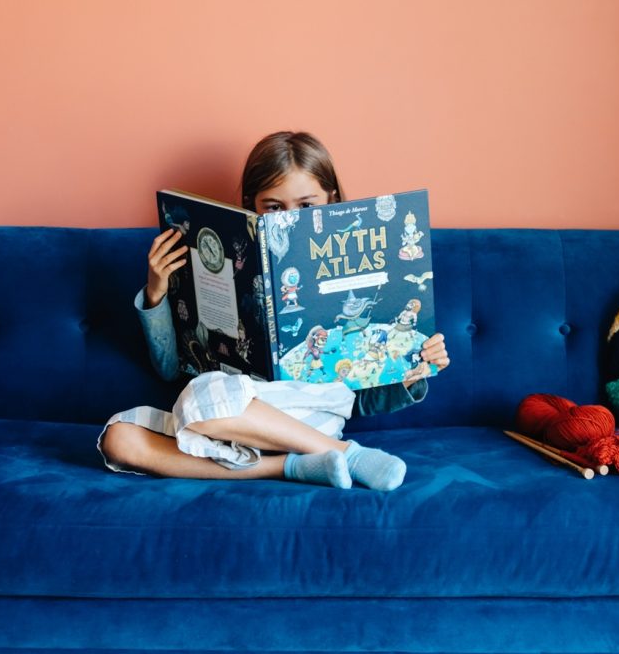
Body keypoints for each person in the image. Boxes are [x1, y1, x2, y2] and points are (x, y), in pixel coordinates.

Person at [99, 131, 450, 491]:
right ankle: (294, 466)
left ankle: (345, 454)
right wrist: (157, 292)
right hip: (228, 419)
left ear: (332, 199)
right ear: (253, 205)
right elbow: (169, 368)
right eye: (274, 206)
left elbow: (358, 399)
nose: (290, 218)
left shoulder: (354, 278)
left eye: (307, 206)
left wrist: (411, 370)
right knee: (119, 439)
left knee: (196, 399)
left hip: (309, 420)